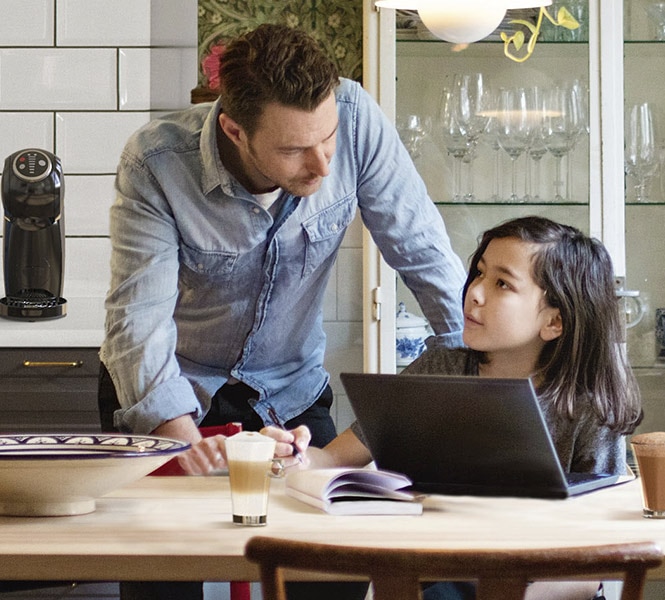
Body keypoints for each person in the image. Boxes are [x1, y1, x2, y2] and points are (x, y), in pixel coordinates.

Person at [98, 23, 465, 600]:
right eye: (294, 149)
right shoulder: (156, 163)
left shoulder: (358, 117)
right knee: (165, 574)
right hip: (174, 386)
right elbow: (137, 324)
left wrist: (472, 365)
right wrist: (185, 444)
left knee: (330, 576)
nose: (322, 166)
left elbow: (427, 259)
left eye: (329, 139)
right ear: (234, 130)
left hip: (290, 390)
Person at [265, 216, 643, 600]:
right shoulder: (438, 369)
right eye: (479, 273)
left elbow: (597, 556)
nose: (475, 292)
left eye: (502, 284)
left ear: (555, 322)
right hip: (438, 583)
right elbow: (332, 460)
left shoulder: (590, 406)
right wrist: (291, 455)